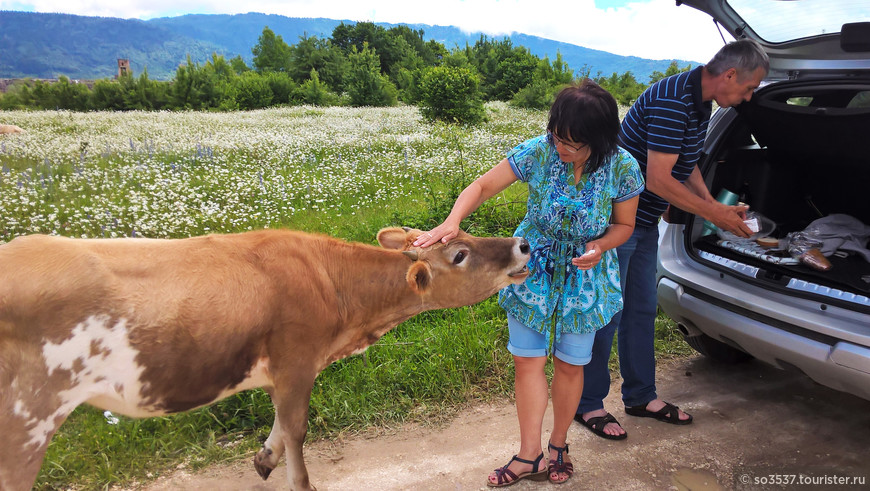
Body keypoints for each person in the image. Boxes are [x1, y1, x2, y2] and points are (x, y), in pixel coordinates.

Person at [413, 80, 644, 486]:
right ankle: (529, 455)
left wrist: (601, 245)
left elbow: (625, 226)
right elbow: (482, 185)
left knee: (572, 366)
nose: (561, 149)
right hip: (529, 267)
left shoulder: (623, 166)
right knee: (527, 361)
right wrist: (452, 221)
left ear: (599, 140)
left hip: (585, 275)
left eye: (572, 143)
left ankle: (559, 447)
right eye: (557, 137)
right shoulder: (538, 150)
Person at [575, 39, 770, 440]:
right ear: (730, 75)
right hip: (615, 226)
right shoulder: (674, 100)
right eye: (750, 87)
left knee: (642, 310)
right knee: (606, 314)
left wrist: (711, 201)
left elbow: (686, 163)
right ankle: (588, 404)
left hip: (642, 224)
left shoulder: (700, 104)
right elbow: (658, 178)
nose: (749, 97)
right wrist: (712, 213)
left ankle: (641, 396)